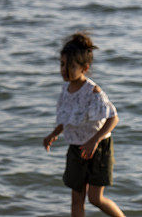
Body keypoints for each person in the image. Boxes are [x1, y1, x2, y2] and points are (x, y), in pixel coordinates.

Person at [42, 32, 125, 217]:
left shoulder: (93, 92)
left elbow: (113, 118)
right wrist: (53, 134)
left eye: (71, 66)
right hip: (76, 148)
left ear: (84, 68)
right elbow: (67, 118)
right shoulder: (65, 89)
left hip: (98, 147)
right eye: (62, 64)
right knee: (76, 199)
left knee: (95, 198)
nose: (64, 70)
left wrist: (94, 141)